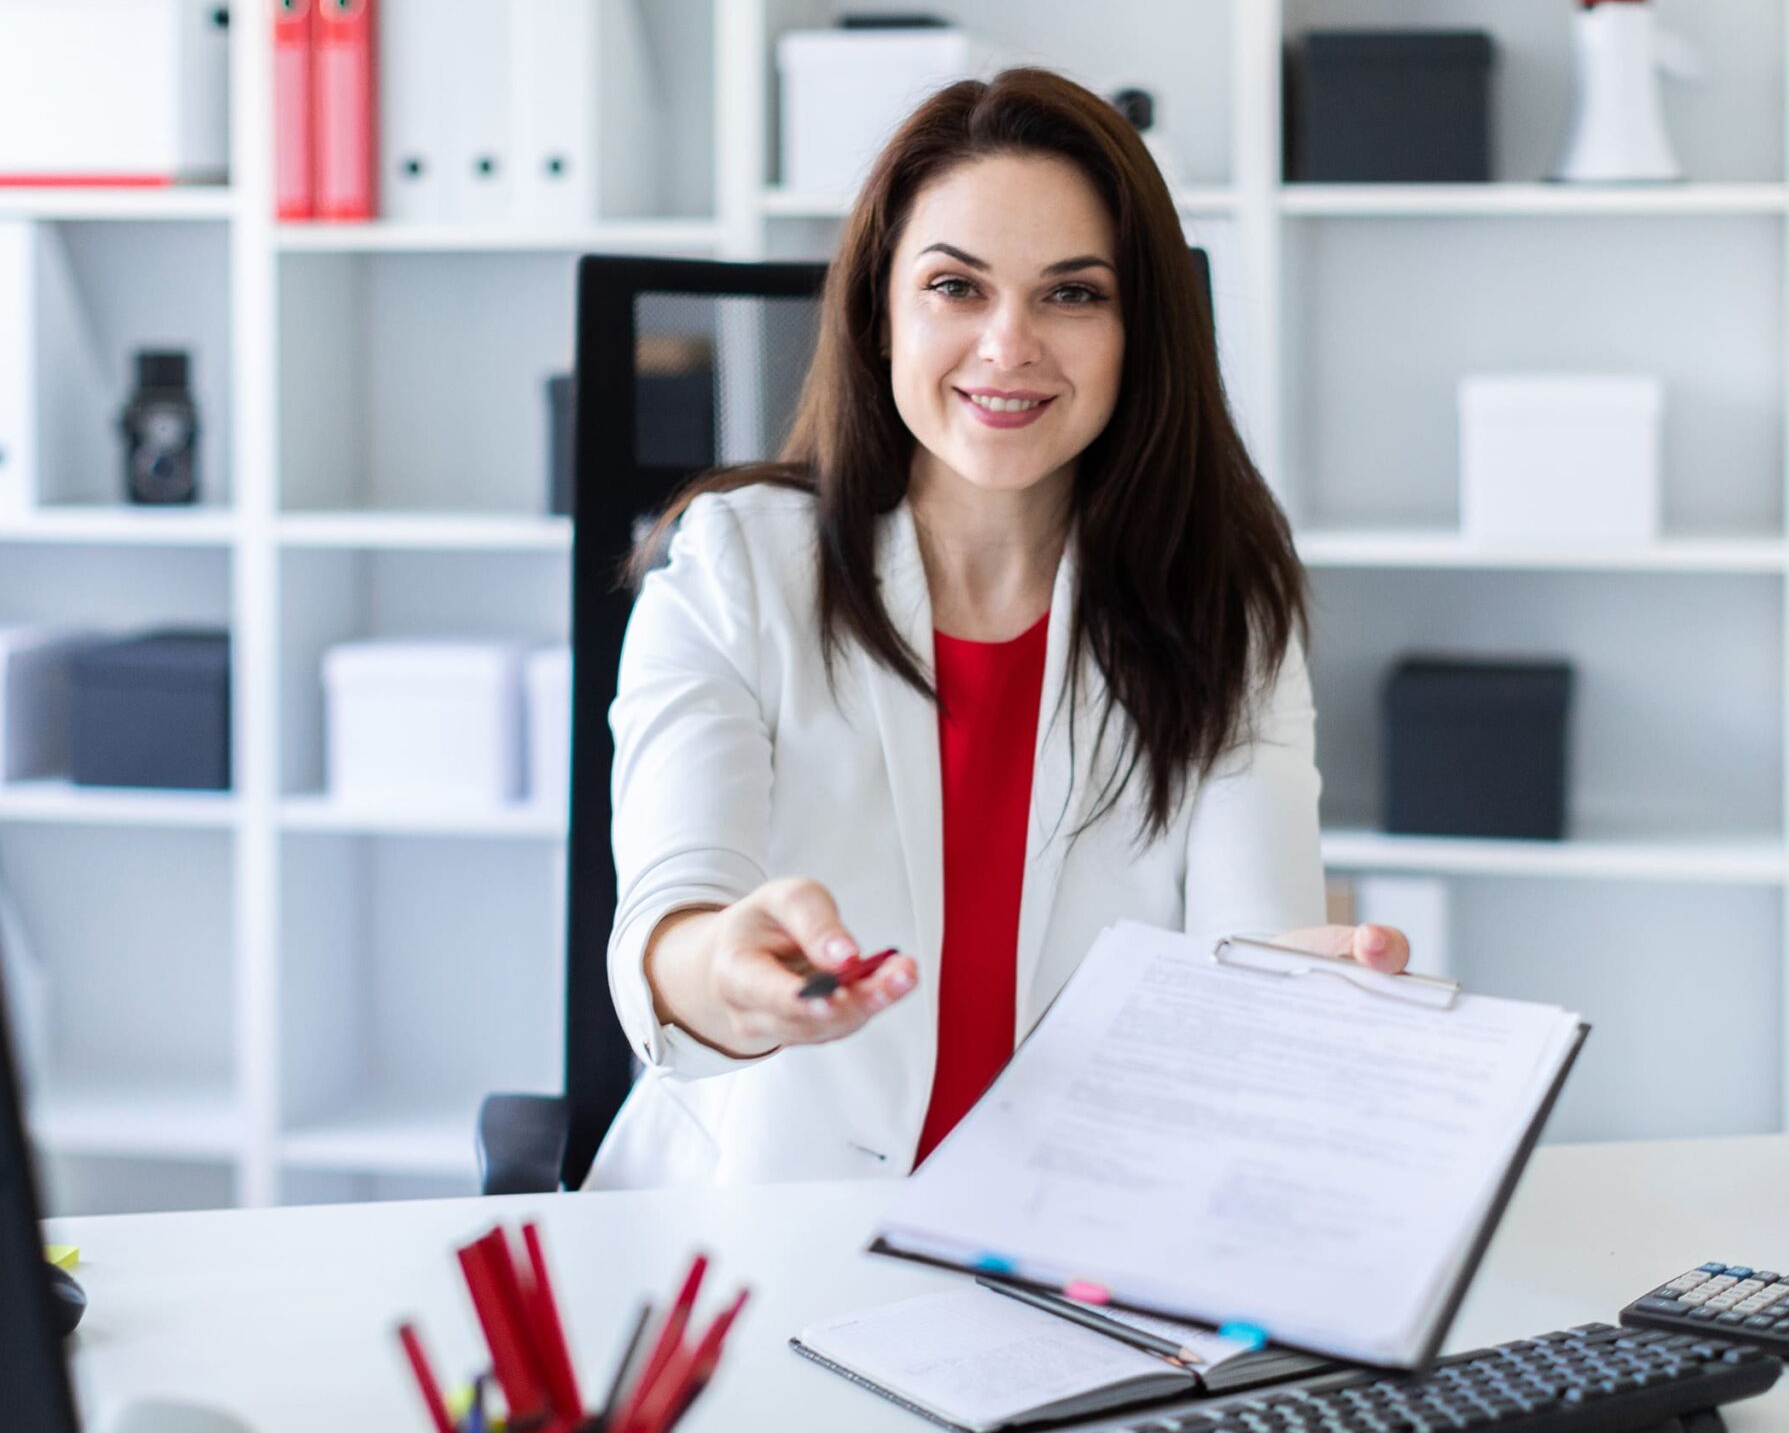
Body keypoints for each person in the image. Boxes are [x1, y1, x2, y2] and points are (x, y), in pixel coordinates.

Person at [590, 68, 1407, 1189]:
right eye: (955, 288)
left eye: (1072, 295)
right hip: (763, 1227)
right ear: (882, 312)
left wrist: (1295, 1000)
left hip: (1074, 1249)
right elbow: (673, 915)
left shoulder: (1221, 602)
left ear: (1139, 334)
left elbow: (1249, 950)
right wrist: (725, 968)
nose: (1008, 344)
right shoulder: (733, 568)